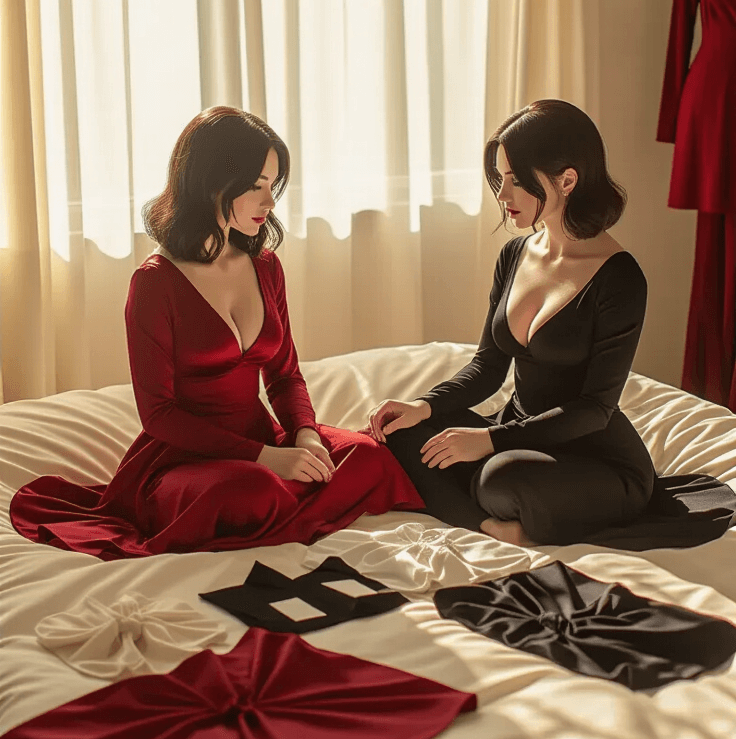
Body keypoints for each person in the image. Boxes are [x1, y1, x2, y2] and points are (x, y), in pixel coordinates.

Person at [9, 107, 424, 560]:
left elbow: (284, 376)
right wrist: (265, 458)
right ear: (209, 182)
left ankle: (283, 508)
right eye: (255, 186)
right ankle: (288, 508)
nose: (269, 203)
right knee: (251, 490)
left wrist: (304, 435)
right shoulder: (154, 283)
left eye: (272, 185)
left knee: (366, 454)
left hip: (264, 442)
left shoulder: (265, 266)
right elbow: (160, 415)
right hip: (184, 460)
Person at [367, 99, 658, 548]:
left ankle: (482, 504)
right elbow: (487, 368)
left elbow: (594, 410)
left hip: (596, 457)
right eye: (500, 179)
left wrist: (489, 439)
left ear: (567, 180)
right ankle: (490, 528)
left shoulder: (619, 278)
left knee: (498, 478)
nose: (503, 196)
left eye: (518, 181)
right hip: (518, 433)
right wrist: (422, 407)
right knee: (403, 432)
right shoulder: (515, 254)